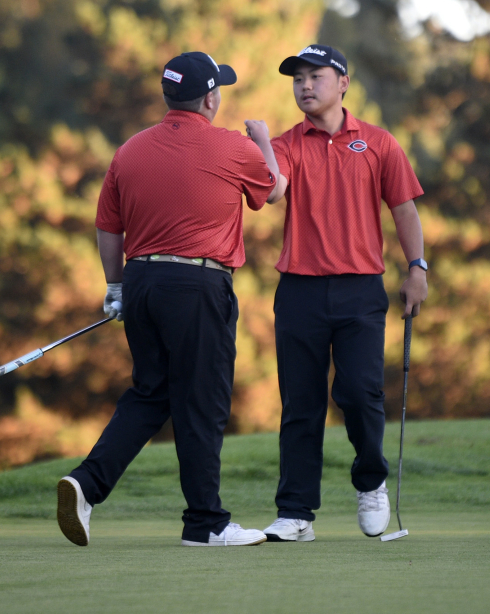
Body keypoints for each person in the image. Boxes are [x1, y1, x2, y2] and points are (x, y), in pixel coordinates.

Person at [56, 51, 281, 547]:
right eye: (217, 89)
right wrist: (263, 140)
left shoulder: (130, 150)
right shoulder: (232, 147)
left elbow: (107, 228)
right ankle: (205, 525)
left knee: (152, 392)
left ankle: (86, 485)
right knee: (201, 401)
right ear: (209, 98)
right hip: (198, 285)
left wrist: (115, 286)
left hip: (140, 284)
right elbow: (276, 190)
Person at [259, 44, 428, 542]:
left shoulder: (377, 143)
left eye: (315, 76)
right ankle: (296, 513)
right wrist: (265, 143)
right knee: (301, 404)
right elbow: (273, 191)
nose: (305, 86)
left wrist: (416, 267)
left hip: (360, 290)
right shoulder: (289, 143)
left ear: (343, 83)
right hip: (299, 292)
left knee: (359, 393)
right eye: (297, 79)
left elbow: (404, 210)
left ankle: (371, 481)